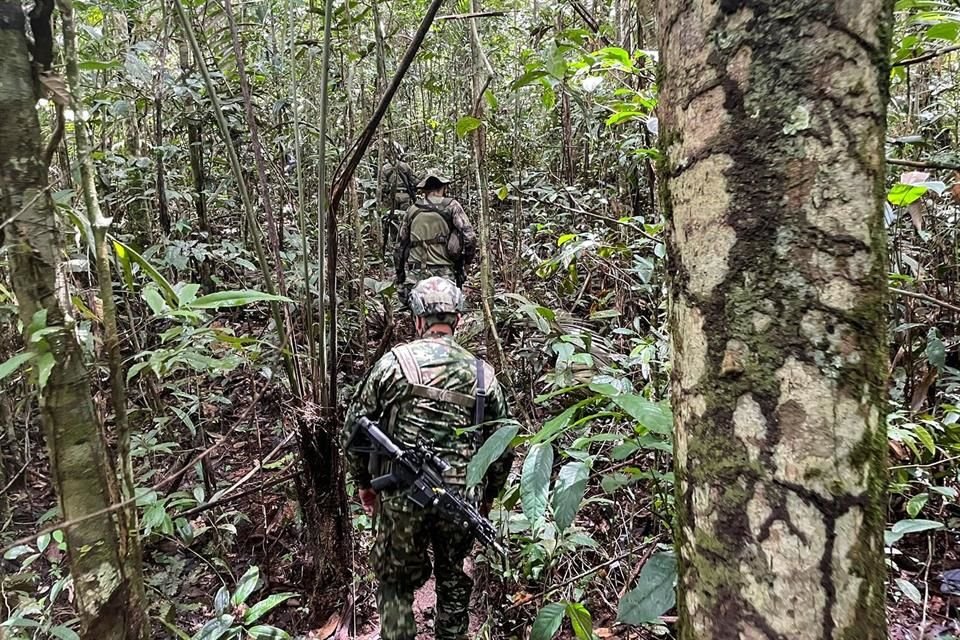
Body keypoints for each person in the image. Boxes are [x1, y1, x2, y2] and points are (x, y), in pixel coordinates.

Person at [342, 277, 514, 640]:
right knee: (454, 583)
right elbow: (502, 445)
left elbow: (353, 429)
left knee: (395, 581)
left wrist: (363, 485)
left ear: (417, 320)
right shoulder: (484, 376)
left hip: (403, 500)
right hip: (460, 498)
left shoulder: (393, 364)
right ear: (458, 320)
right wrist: (486, 498)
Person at [394, 169, 476, 301]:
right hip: (445, 273)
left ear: (424, 190)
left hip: (416, 273)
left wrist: (400, 276)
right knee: (450, 308)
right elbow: (470, 237)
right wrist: (466, 263)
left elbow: (400, 247)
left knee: (414, 309)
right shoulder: (452, 206)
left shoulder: (412, 210)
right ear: (443, 188)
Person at [379, 145, 418, 257]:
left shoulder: (385, 168)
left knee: (392, 222)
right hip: (405, 196)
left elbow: (382, 186)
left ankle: (394, 247)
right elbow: (415, 181)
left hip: (392, 198)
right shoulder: (405, 166)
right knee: (406, 221)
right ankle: (405, 246)